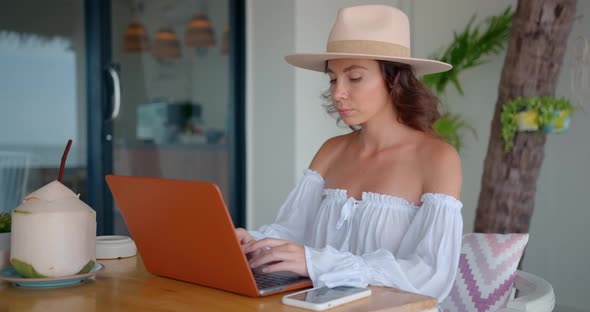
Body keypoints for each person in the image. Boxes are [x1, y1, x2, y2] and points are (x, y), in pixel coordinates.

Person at [235, 4, 463, 303]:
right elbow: (293, 231)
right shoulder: (332, 150)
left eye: (354, 77)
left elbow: (430, 274)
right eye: (332, 79)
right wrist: (252, 242)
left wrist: (319, 263)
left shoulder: (438, 159)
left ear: (394, 81)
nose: (337, 92)